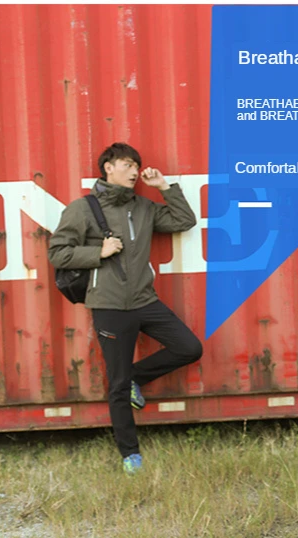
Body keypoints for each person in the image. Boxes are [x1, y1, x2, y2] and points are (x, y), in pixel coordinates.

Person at [49, 143, 202, 474]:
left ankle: (136, 377)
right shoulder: (82, 209)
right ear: (108, 167)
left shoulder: (143, 207)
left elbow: (184, 220)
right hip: (109, 306)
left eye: (137, 166)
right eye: (127, 164)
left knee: (189, 347)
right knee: (117, 385)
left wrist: (164, 187)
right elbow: (57, 253)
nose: (134, 171)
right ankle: (130, 454)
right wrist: (98, 252)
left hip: (145, 301)